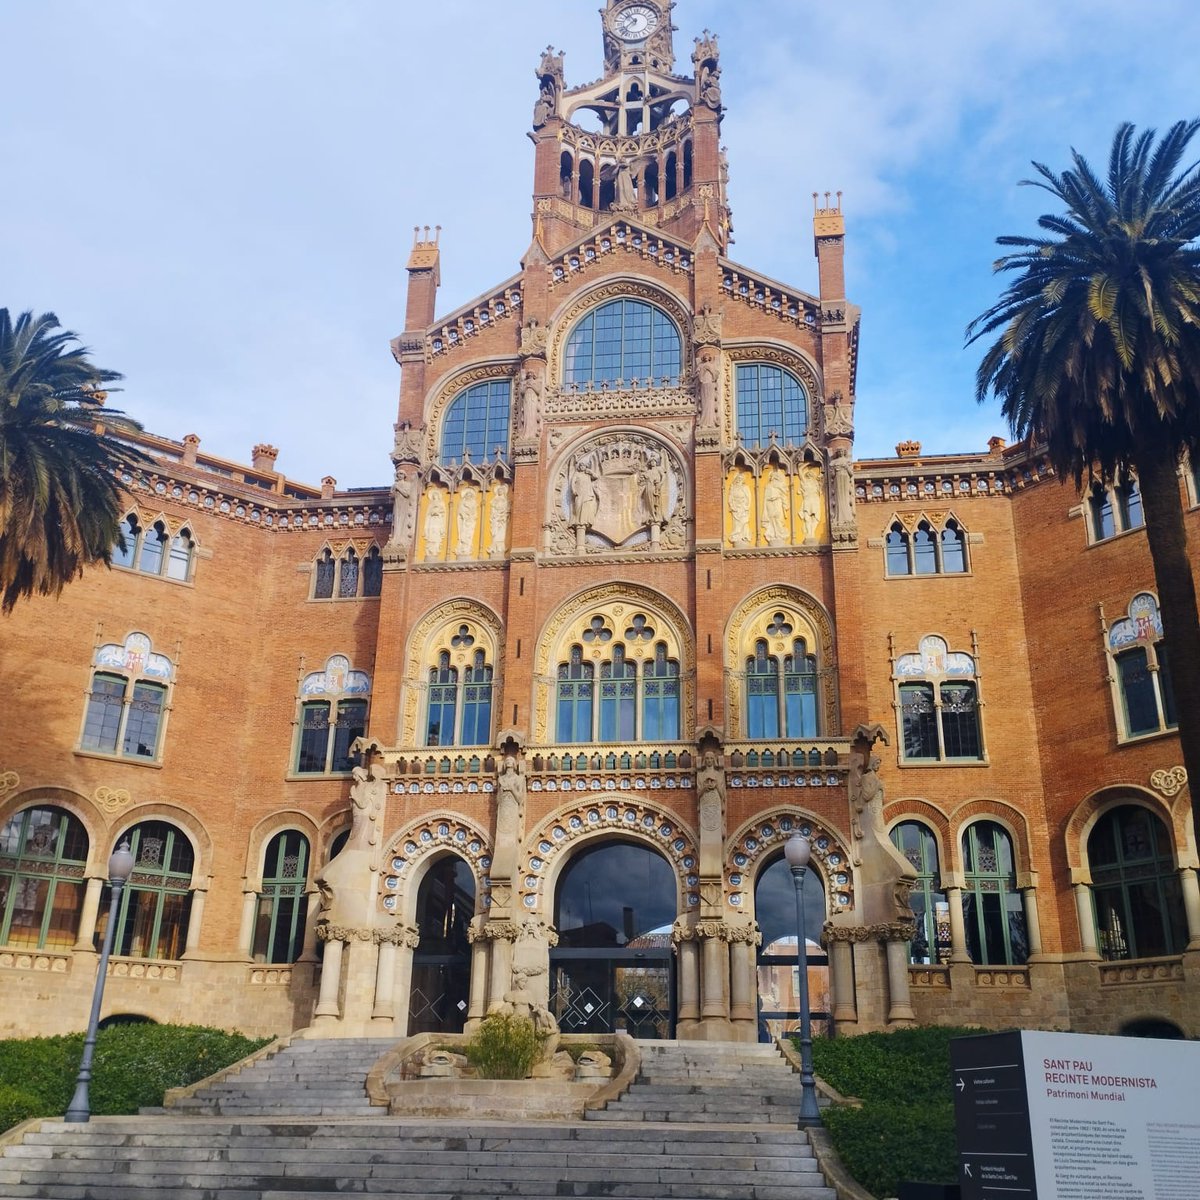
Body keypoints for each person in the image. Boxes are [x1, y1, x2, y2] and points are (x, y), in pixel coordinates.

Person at [728, 472, 752, 545]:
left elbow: (749, 497)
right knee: (736, 524)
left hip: (743, 507)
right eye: (738, 478)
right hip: (736, 508)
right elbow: (730, 498)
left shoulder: (745, 487)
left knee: (744, 523)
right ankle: (737, 537)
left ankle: (745, 537)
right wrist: (732, 506)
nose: (739, 480)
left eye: (741, 479)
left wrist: (746, 506)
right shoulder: (733, 488)